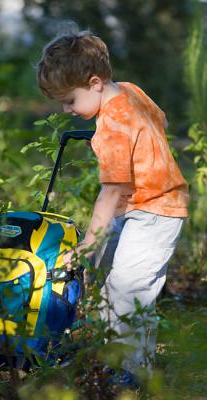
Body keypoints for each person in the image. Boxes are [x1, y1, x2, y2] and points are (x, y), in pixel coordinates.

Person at [36, 30, 189, 386]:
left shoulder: (111, 127)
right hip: (141, 205)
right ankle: (120, 354)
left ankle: (132, 375)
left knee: (126, 289)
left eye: (70, 100)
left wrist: (89, 243)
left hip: (155, 210)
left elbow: (109, 192)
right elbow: (161, 121)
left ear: (95, 83)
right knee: (114, 284)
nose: (67, 110)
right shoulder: (131, 90)